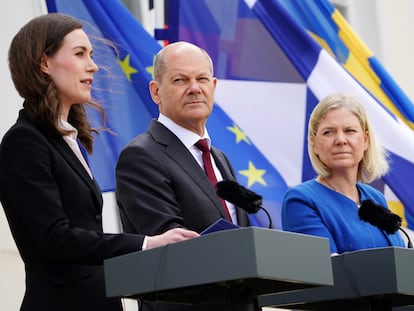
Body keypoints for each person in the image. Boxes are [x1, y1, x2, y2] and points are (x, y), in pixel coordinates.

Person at [0, 13, 199, 311]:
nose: (92, 66)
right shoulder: (24, 141)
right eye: (80, 54)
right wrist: (146, 243)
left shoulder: (69, 139)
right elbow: (55, 238)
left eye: (91, 55)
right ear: (44, 64)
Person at [115, 41, 250, 310]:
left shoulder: (219, 158)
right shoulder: (141, 156)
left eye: (202, 79)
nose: (194, 88)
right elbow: (172, 246)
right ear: (156, 92)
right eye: (180, 80)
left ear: (213, 86)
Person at [281, 93, 405, 255]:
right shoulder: (301, 200)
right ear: (314, 143)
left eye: (350, 131)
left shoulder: (376, 198)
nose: (340, 140)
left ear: (365, 140)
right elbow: (327, 272)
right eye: (328, 132)